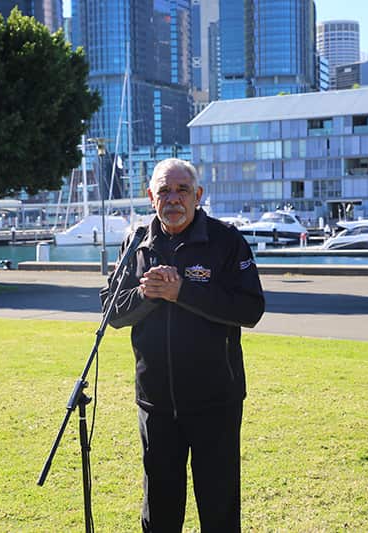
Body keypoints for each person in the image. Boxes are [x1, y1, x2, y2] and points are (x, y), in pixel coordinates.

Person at [101, 158, 265, 532]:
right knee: (159, 508)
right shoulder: (136, 242)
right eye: (164, 191)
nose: (173, 199)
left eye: (182, 190)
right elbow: (112, 312)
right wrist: (147, 294)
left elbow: (250, 309)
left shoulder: (226, 241)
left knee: (219, 507)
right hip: (156, 402)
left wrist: (182, 292)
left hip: (215, 401)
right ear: (150, 197)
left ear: (198, 195)